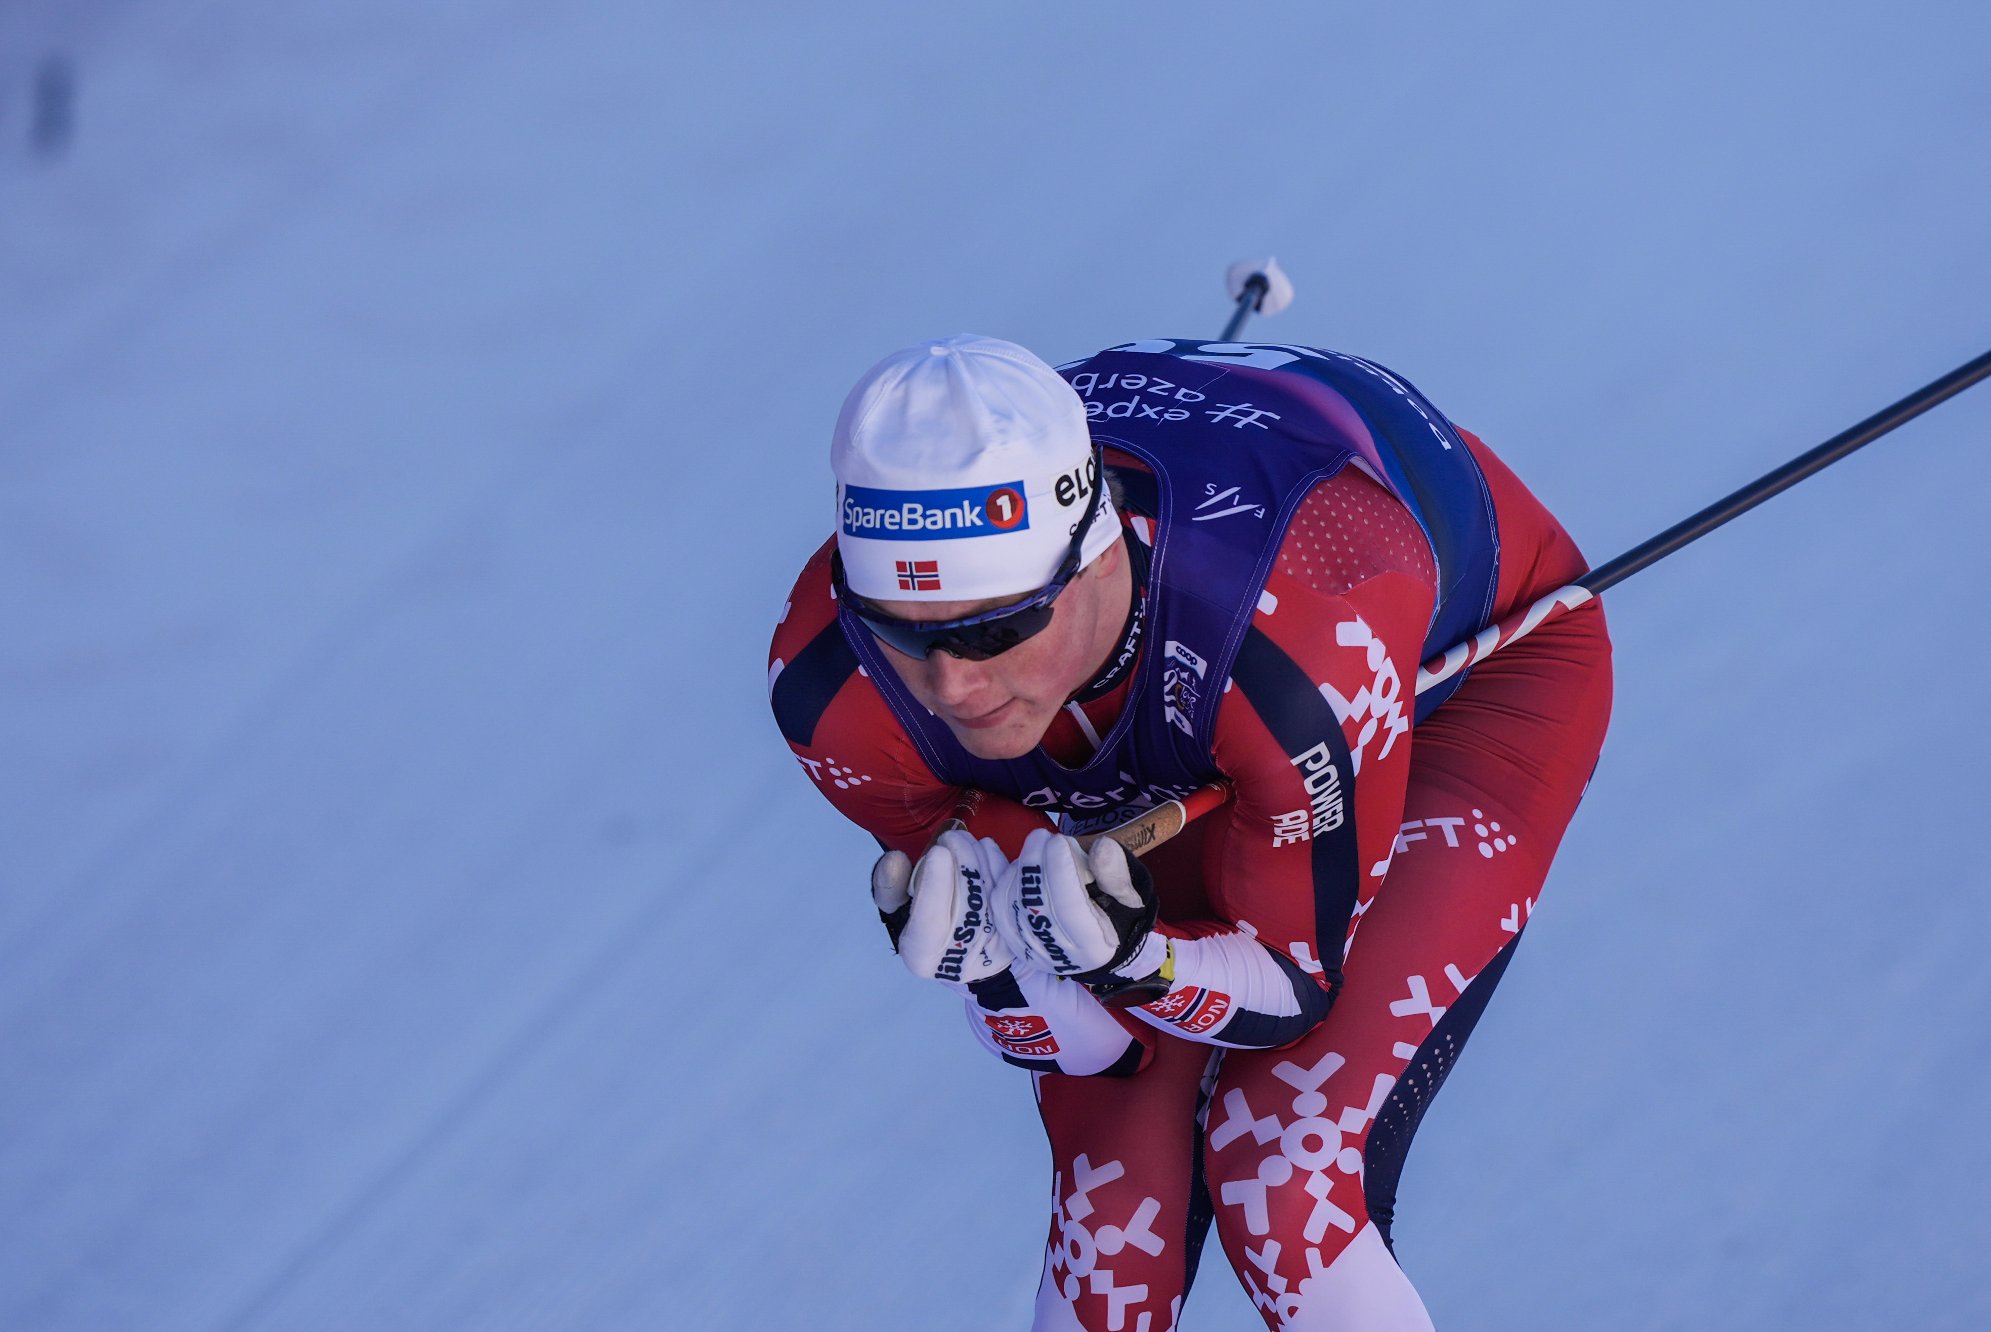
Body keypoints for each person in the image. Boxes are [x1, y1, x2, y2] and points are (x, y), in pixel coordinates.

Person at [768, 334, 1612, 1330]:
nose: (953, 685)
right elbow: (1088, 1057)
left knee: (1283, 1168)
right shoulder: (833, 685)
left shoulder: (1295, 632)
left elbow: (1292, 991)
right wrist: (998, 976)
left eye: (994, 629)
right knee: (1109, 1221)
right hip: (1195, 741)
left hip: (1447, 685)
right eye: (904, 632)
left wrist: (1136, 963)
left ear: (1090, 557)